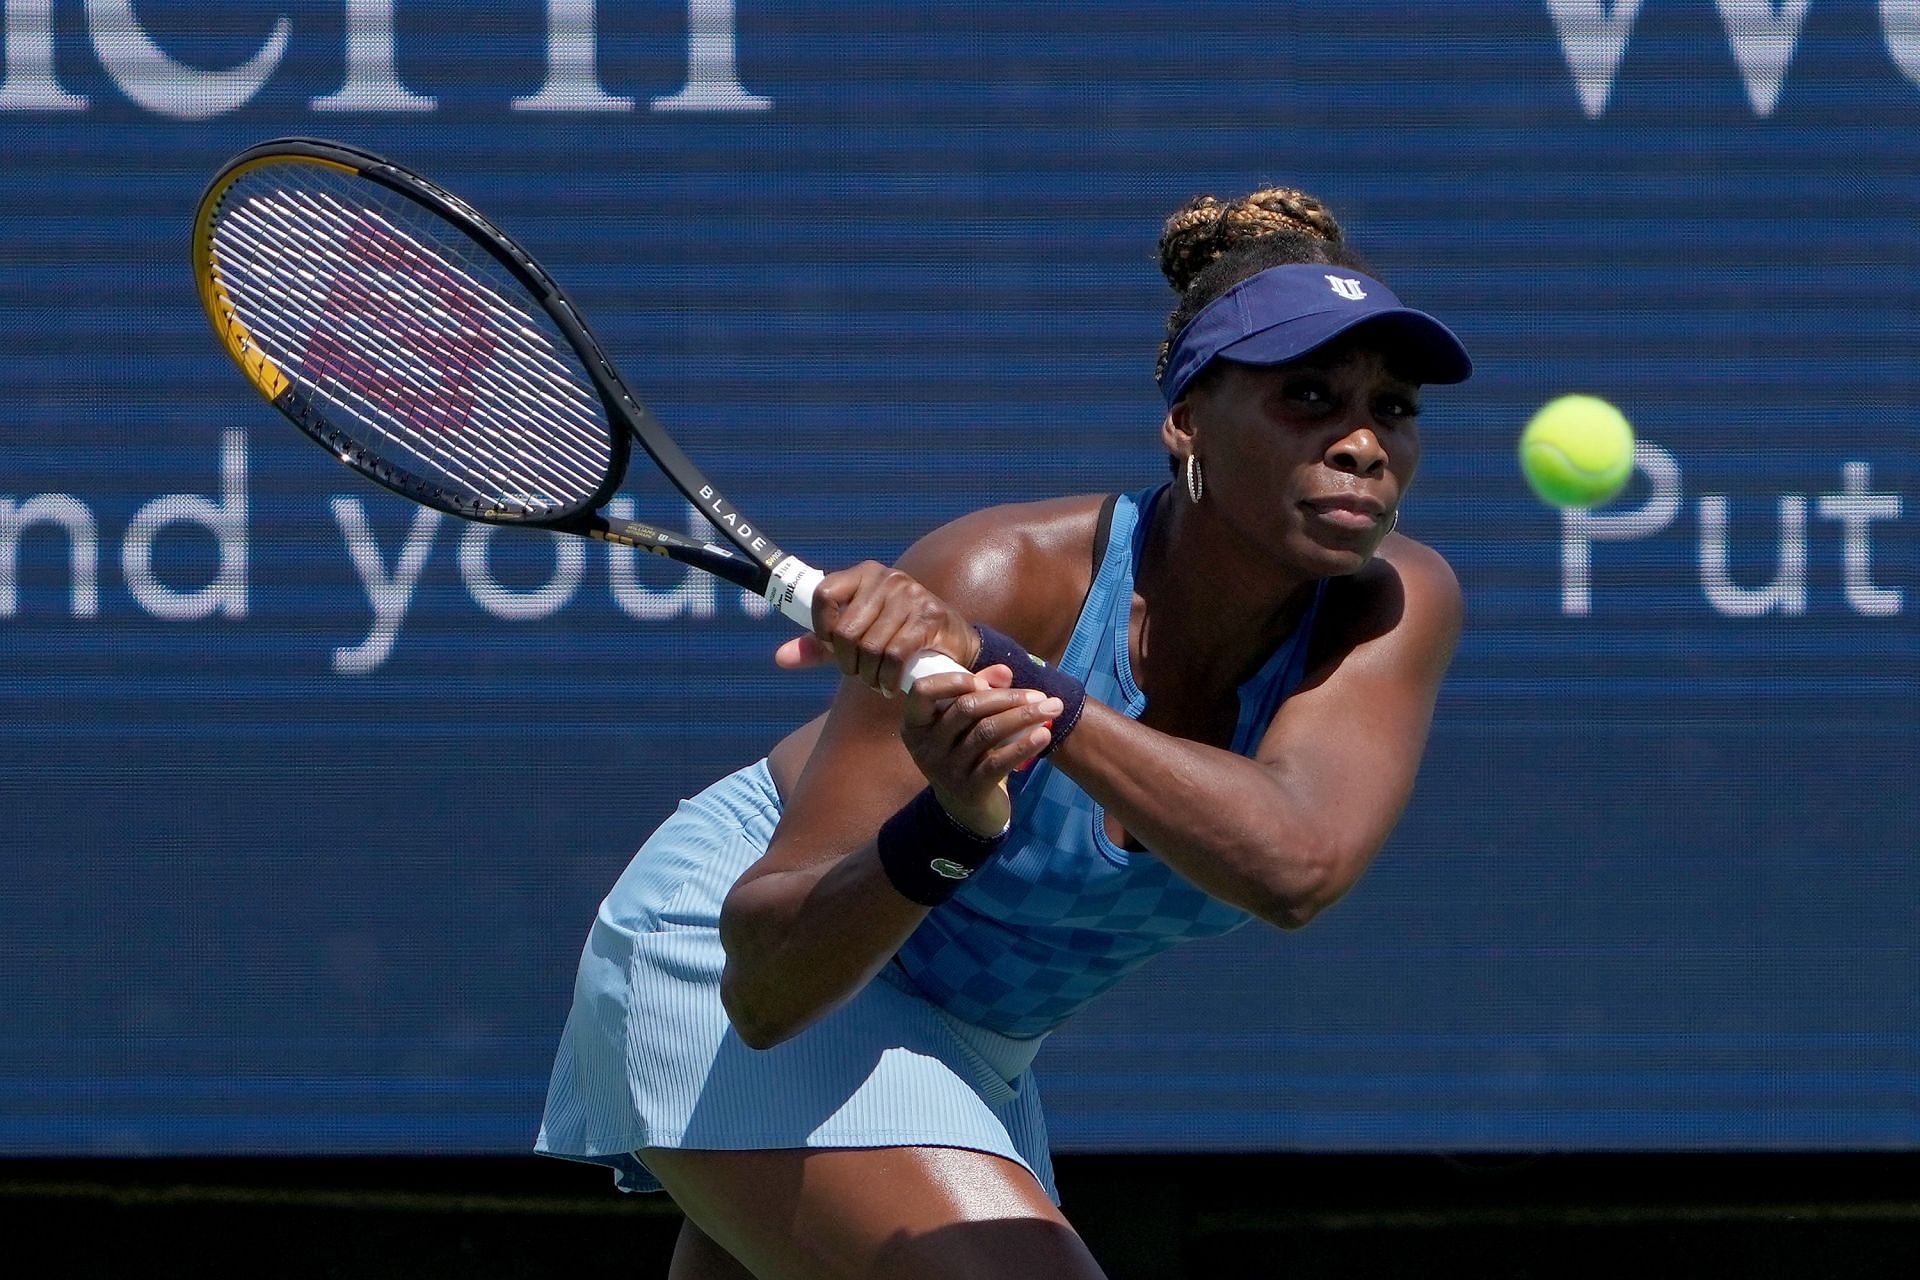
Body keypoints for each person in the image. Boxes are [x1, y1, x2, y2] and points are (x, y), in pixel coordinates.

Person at [536, 187, 1471, 1279]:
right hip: (741, 954)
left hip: (972, 1044)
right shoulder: (1000, 576)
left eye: (1393, 408)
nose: (1362, 442)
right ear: (1185, 422)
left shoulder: (1395, 600)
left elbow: (1295, 862)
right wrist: (951, 825)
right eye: (1308, 397)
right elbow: (766, 990)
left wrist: (1028, 690)